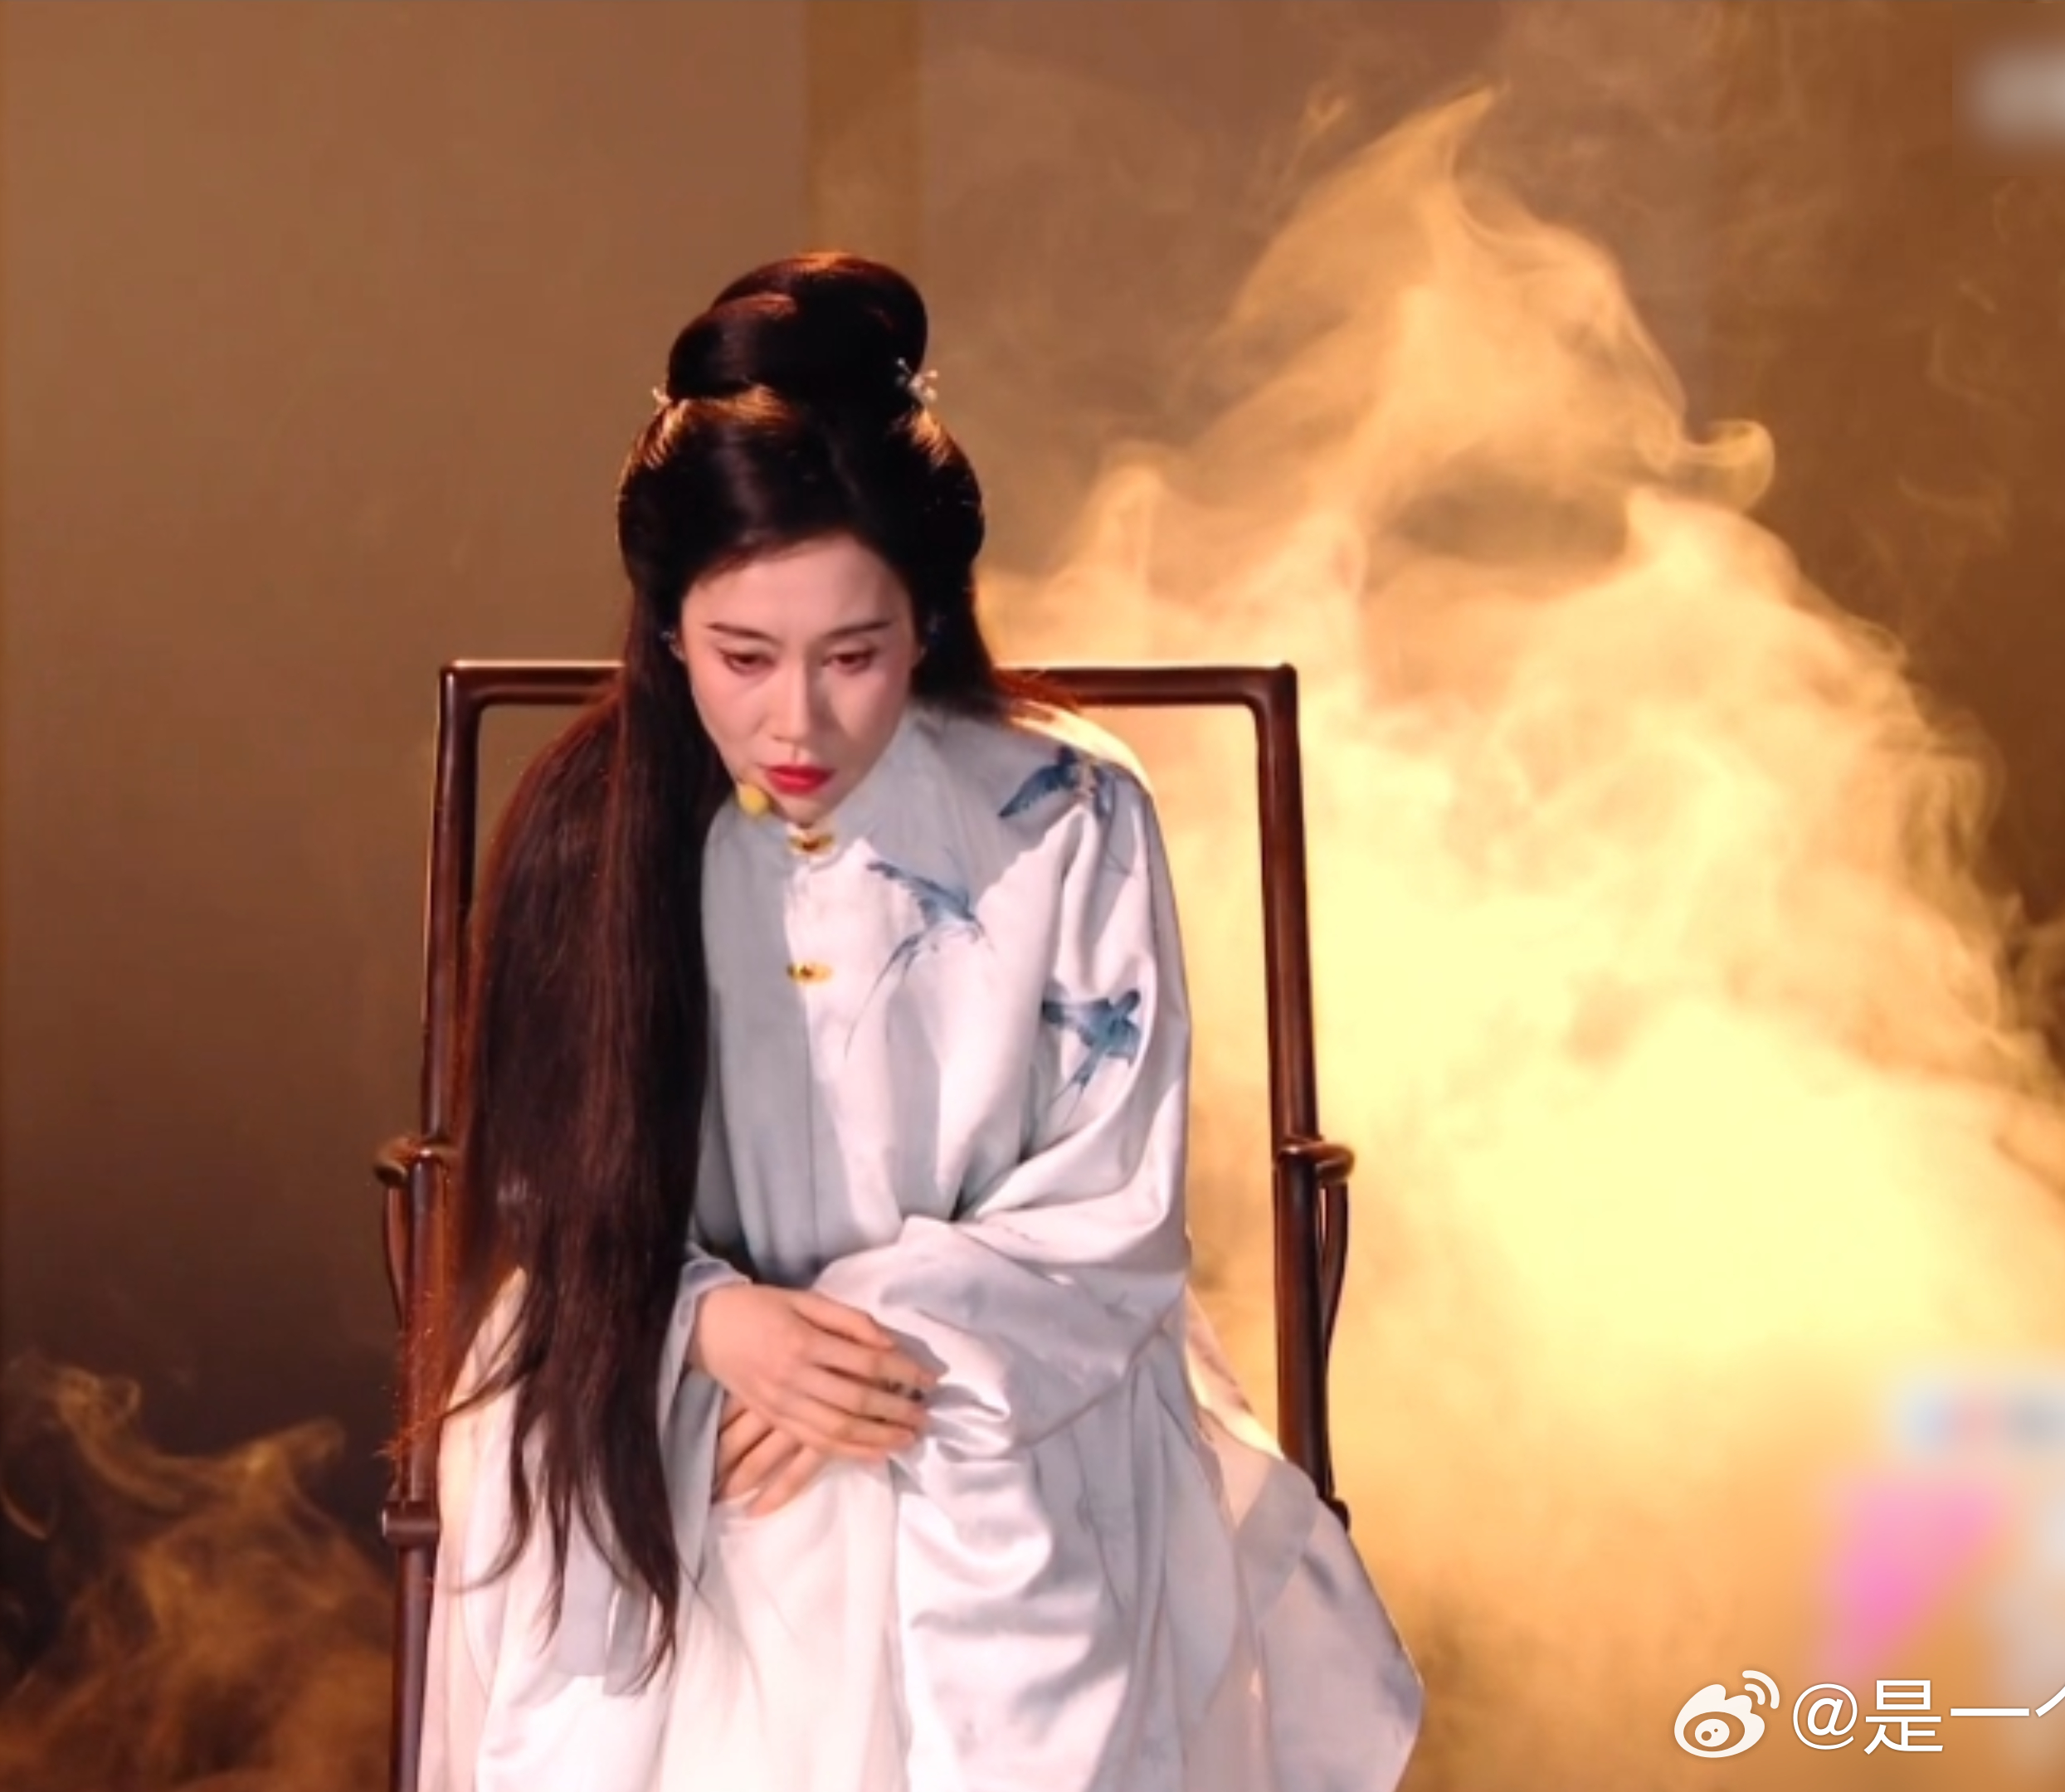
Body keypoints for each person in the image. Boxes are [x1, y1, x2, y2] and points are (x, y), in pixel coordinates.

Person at [415, 251, 1421, 1791]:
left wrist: (868, 1353)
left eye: (855, 656)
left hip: (1009, 1356)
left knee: (873, 1499)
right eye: (742, 657)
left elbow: (1107, 1199)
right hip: (651, 1342)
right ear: (668, 627)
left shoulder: (1069, 814)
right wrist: (714, 1325)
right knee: (752, 1512)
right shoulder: (598, 829)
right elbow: (553, 1190)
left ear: (931, 618)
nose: (796, 721)